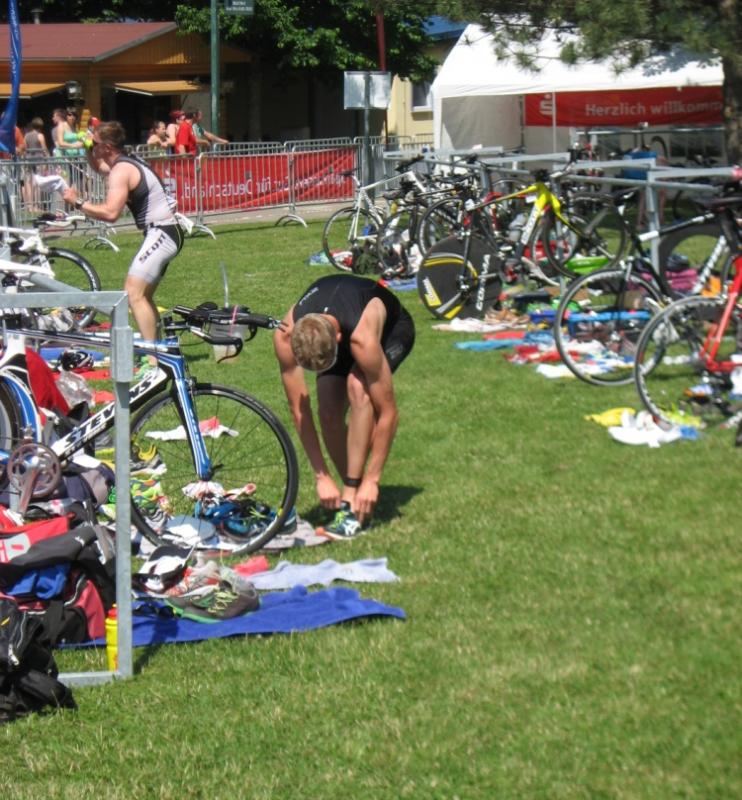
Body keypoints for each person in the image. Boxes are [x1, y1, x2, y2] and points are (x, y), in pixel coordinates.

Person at [273, 274, 415, 539]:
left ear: (338, 338)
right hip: (340, 326)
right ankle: (355, 497)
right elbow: (298, 409)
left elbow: (388, 413)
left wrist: (373, 480)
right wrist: (321, 476)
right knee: (328, 411)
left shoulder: (362, 339)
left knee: (358, 389)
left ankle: (352, 498)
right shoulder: (285, 335)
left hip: (391, 330)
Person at [61, 120, 183, 342]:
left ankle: (153, 355)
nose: (91, 145)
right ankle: (159, 349)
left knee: (133, 294)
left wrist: (77, 202)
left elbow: (111, 213)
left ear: (106, 147)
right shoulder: (124, 161)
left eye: (94, 143)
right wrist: (88, 149)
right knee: (143, 296)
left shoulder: (121, 169)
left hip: (162, 232)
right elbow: (100, 168)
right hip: (166, 231)